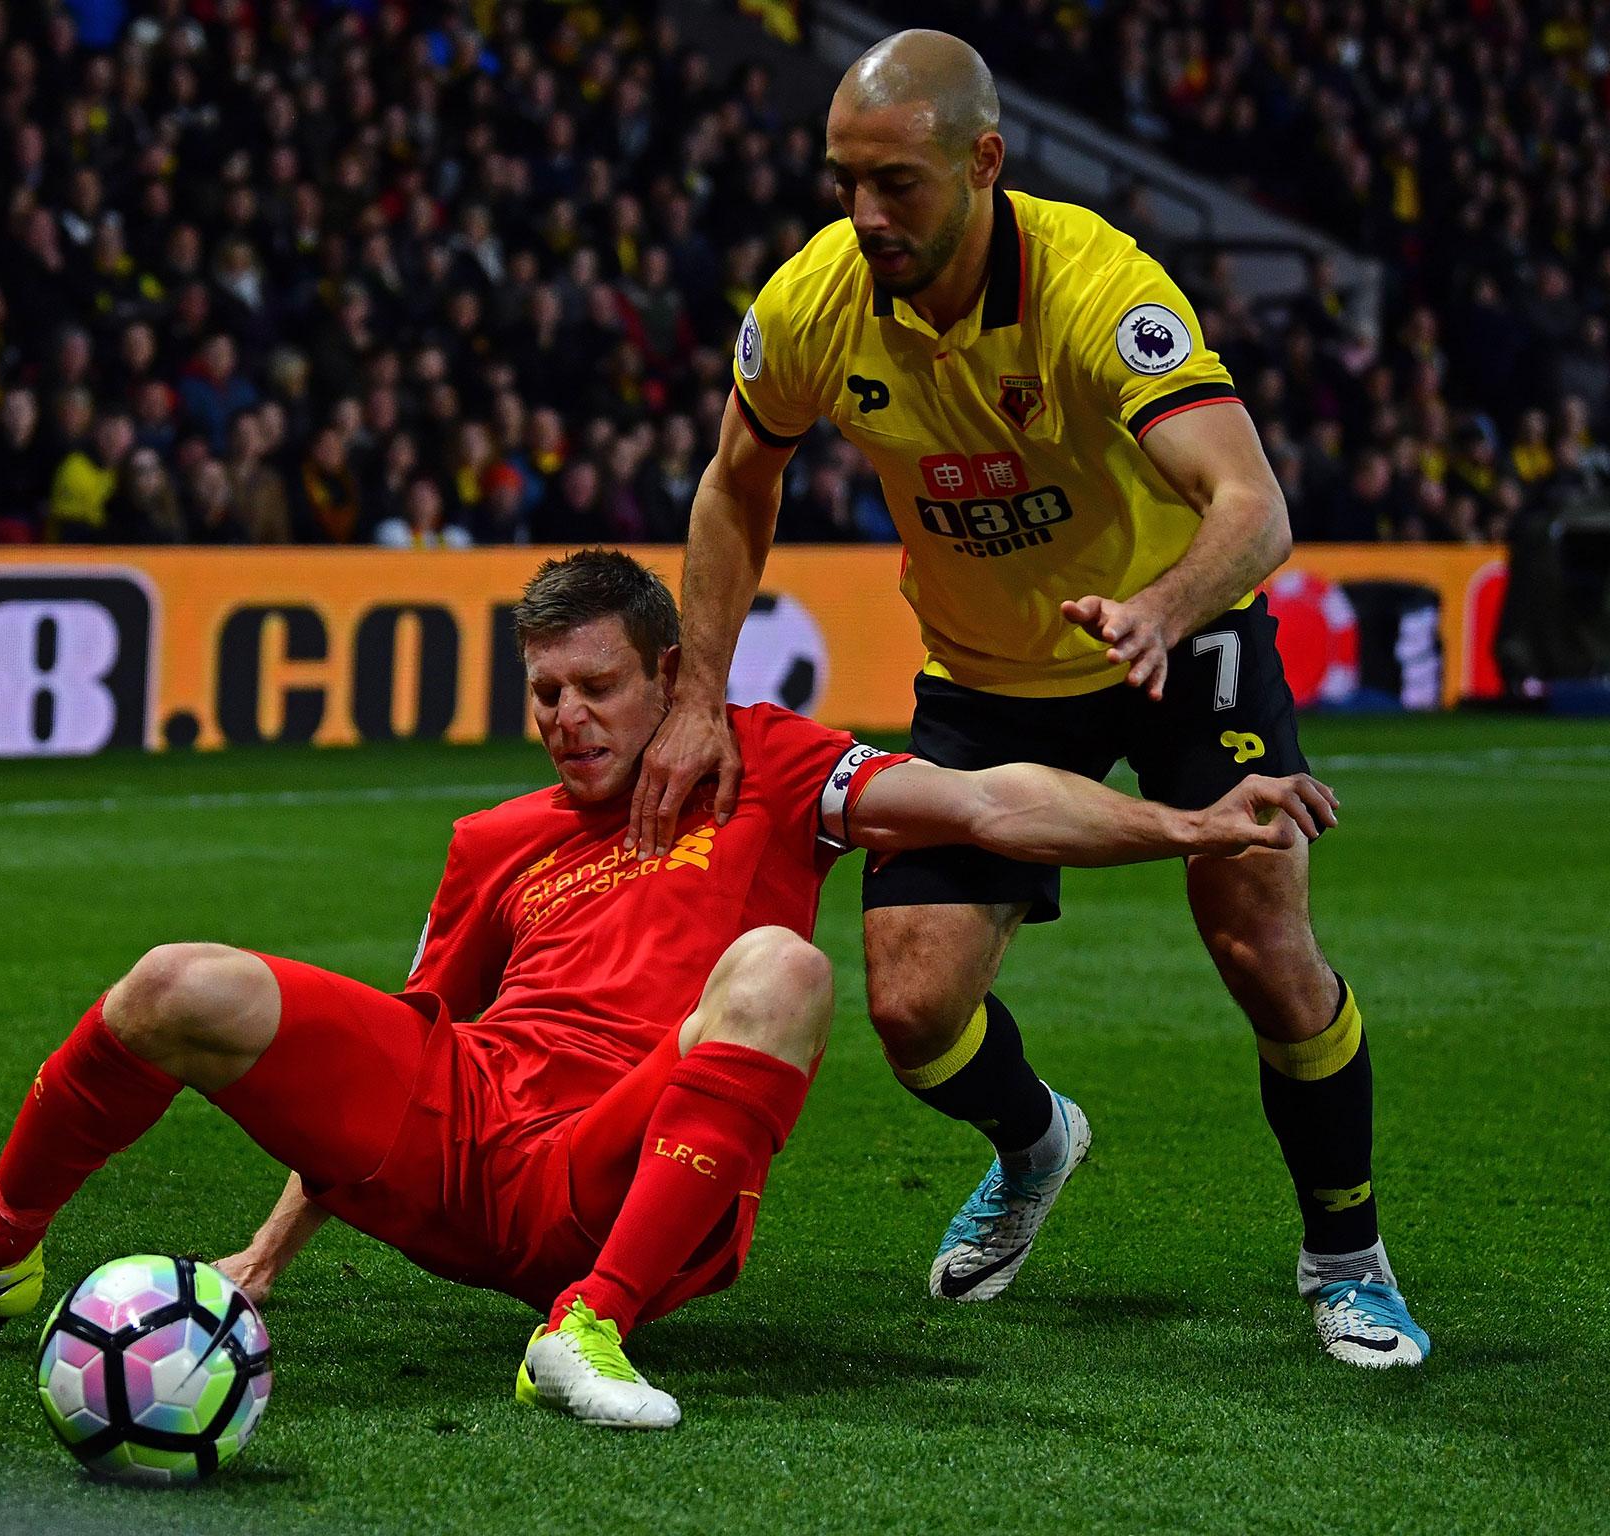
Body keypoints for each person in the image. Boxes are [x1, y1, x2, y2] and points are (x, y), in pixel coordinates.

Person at [0, 550, 1337, 1427]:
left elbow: (989, 803)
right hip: (464, 1143)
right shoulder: (494, 840)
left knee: (782, 964)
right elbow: (407, 1049)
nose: (568, 718)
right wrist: (262, 1261)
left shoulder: (771, 763)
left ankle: (589, 1330)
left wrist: (1193, 822)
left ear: (671, 678)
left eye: (597, 687)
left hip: (622, 1167)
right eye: (544, 692)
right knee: (178, 981)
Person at [632, 30, 1429, 1367]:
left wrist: (1160, 609)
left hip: (1181, 646)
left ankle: (1348, 1259)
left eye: (897, 184)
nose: (866, 215)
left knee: (1261, 947)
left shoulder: (1097, 287)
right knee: (911, 1009)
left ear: (983, 163)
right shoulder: (814, 303)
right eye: (844, 183)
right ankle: (1035, 1140)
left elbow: (1253, 505)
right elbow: (734, 483)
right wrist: (698, 696)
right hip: (989, 673)